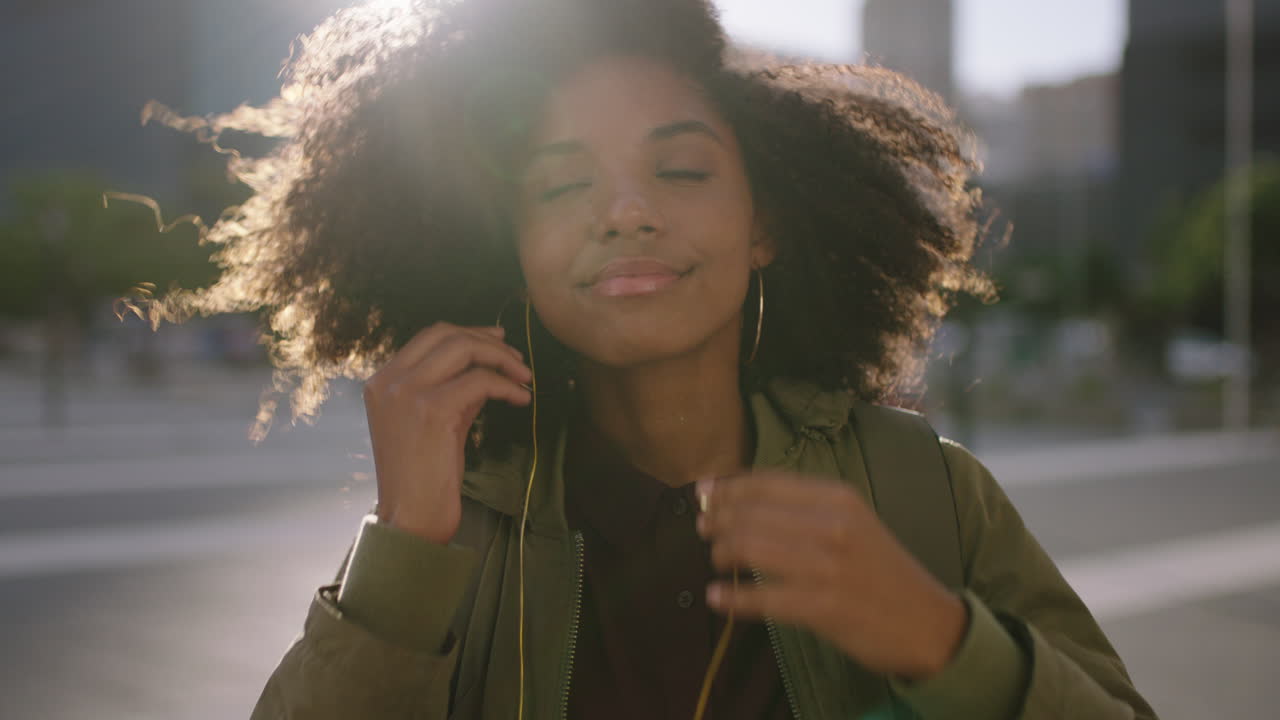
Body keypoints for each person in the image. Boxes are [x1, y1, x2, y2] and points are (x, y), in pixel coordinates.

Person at [143, 0, 1157, 717]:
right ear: (514, 256)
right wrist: (404, 546)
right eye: (558, 187)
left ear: (764, 223)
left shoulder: (926, 492)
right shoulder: (456, 530)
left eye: (677, 168)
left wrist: (946, 644)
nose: (625, 210)